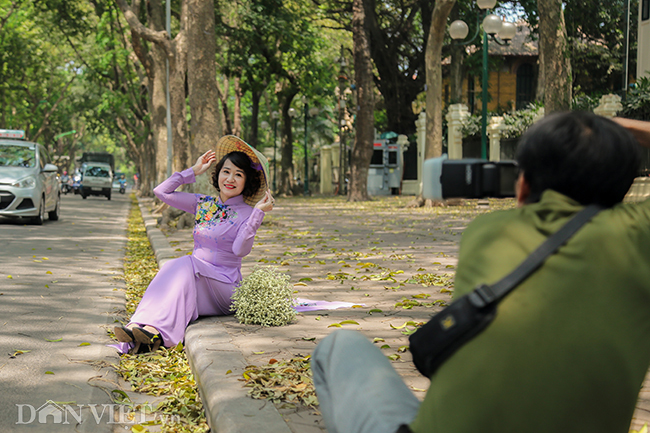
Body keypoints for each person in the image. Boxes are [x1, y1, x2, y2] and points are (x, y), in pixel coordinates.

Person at [311, 112, 650, 433]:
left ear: (523, 187)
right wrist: (624, 128)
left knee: (337, 345)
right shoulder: (639, 236)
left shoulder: (487, 230)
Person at [113, 136, 275, 354]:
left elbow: (240, 250)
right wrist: (192, 171)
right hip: (197, 280)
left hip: (226, 288)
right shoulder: (204, 204)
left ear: (247, 182)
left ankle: (158, 332)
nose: (230, 178)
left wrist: (257, 215)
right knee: (172, 266)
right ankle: (138, 326)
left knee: (185, 263)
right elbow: (161, 192)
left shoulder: (249, 212)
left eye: (239, 175)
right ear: (218, 174)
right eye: (226, 171)